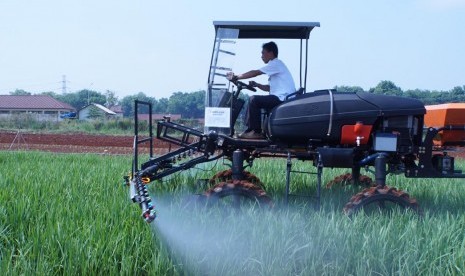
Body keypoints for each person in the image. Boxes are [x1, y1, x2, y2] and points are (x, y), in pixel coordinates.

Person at [227, 41, 296, 139]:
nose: (261, 56)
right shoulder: (276, 66)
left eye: (263, 53)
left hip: (282, 99)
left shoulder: (276, 63)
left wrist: (237, 77)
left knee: (254, 100)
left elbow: (255, 72)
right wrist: (257, 85)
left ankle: (255, 131)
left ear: (271, 53)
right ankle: (251, 130)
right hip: (280, 97)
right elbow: (270, 88)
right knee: (254, 100)